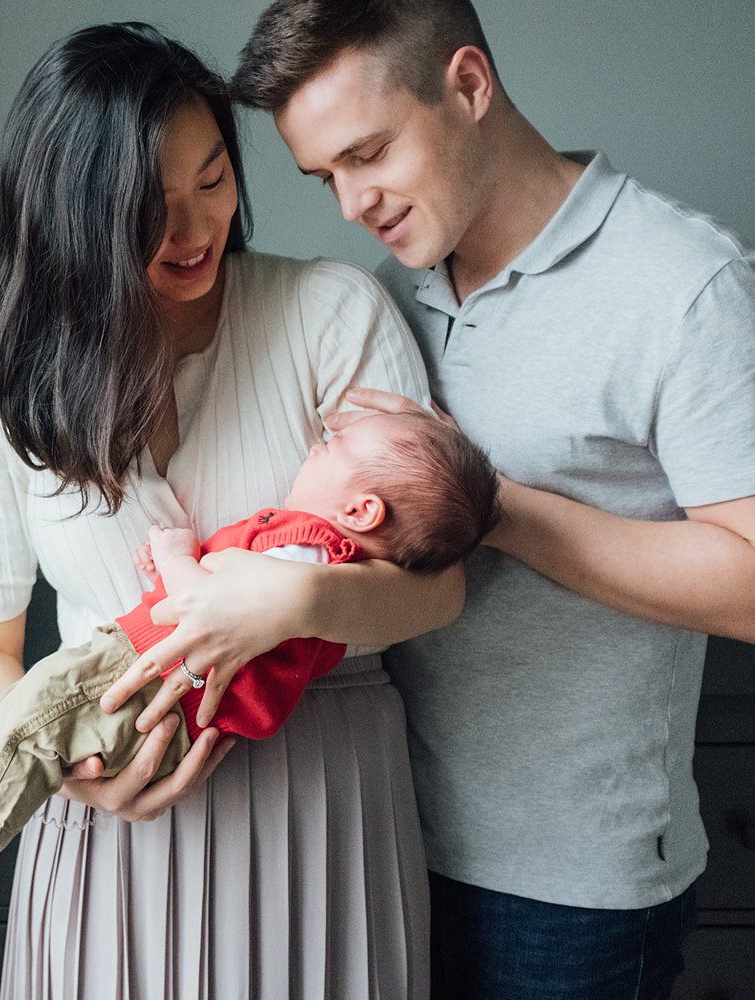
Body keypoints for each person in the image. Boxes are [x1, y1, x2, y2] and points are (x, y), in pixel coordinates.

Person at [218, 2, 755, 997]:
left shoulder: (685, 284)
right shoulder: (391, 290)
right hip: (381, 839)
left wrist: (500, 509)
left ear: (468, 86)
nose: (351, 201)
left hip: (574, 895)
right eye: (325, 175)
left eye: (368, 152)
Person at [0, 21, 465, 998]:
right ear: (72, 216)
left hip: (323, 795)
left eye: (213, 180)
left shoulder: (330, 316)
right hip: (105, 809)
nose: (194, 230)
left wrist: (290, 607)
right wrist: (78, 771)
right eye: (150, 206)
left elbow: (434, 593)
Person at [0, 411, 497, 867]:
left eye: (336, 447)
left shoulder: (306, 552)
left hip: (139, 679)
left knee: (40, 708)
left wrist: (174, 551)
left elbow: (202, 607)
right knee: (38, 720)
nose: (319, 443)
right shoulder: (319, 558)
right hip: (162, 698)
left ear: (363, 510)